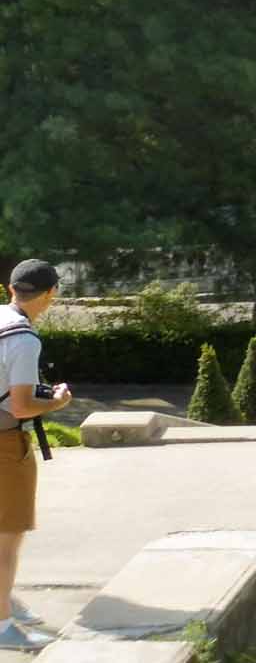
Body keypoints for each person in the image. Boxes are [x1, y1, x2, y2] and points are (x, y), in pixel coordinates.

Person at [0, 261, 72, 650]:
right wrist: (58, 402)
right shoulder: (24, 339)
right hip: (4, 445)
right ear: (50, 294)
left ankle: (4, 599)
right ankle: (2, 628)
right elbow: (23, 406)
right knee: (6, 538)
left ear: (11, 288)